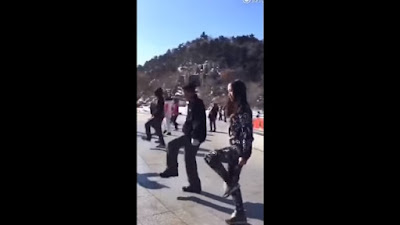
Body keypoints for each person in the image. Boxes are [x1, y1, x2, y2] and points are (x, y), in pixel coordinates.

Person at [204, 80, 254, 224]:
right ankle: (240, 213)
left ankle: (230, 185)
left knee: (210, 157)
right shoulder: (237, 107)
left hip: (238, 150)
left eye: (230, 91)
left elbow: (247, 134)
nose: (229, 94)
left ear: (237, 91)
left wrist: (245, 155)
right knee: (234, 180)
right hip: (235, 147)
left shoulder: (244, 110)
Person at [159, 83, 206, 194]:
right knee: (188, 159)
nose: (184, 95)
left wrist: (195, 136)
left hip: (195, 136)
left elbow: (198, 121)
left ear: (191, 92)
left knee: (173, 146)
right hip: (190, 134)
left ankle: (173, 169)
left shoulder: (197, 104)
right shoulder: (192, 103)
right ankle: (194, 185)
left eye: (185, 92)